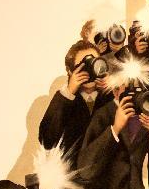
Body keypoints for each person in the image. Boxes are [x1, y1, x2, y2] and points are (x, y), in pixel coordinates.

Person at [39, 39, 112, 169]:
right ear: (70, 71)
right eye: (83, 66)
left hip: (108, 181)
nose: (90, 70)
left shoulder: (112, 97)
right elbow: (46, 141)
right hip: (74, 181)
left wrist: (114, 92)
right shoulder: (65, 100)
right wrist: (68, 92)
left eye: (93, 63)